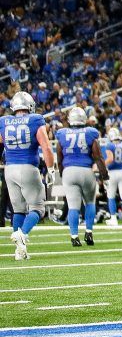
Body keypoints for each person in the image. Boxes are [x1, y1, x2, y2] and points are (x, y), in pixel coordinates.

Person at [1, 91, 56, 260]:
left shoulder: (3, 121)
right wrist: (51, 169)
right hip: (28, 167)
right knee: (38, 208)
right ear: (29, 105)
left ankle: (19, 251)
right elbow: (46, 146)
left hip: (9, 169)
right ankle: (22, 233)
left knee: (18, 209)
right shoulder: (35, 119)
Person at [55, 106, 107, 247]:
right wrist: (104, 175)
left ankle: (74, 236)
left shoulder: (62, 133)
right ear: (84, 119)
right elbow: (98, 156)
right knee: (89, 202)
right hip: (86, 171)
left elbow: (59, 157)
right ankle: (89, 232)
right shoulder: (91, 133)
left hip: (69, 171)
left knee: (73, 206)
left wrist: (62, 173)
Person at [102, 128, 122, 226]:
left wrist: (101, 165)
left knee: (110, 196)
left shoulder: (109, 145)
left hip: (112, 173)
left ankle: (114, 218)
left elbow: (110, 159)